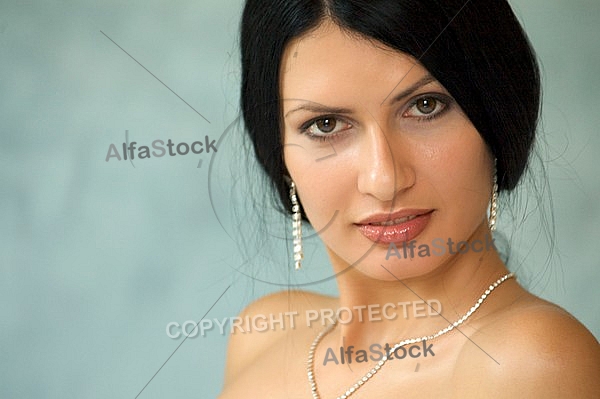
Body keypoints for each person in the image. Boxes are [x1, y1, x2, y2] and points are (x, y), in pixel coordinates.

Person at [219, 1, 600, 397]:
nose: (384, 180)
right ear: (278, 152)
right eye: (326, 125)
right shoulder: (263, 334)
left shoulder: (531, 363)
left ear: (496, 119)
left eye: (425, 106)